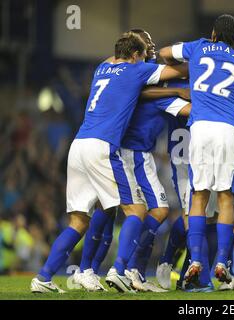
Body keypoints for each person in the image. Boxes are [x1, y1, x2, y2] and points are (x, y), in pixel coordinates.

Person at [30, 32, 187, 293]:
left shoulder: (102, 67)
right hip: (103, 147)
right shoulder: (136, 71)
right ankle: (121, 270)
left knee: (79, 221)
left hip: (78, 145)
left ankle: (44, 277)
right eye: (142, 52)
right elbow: (179, 70)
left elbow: (118, 57)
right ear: (136, 56)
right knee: (136, 210)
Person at [159, 14, 234, 288]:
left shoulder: (199, 47)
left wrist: (184, 69)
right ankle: (222, 262)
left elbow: (165, 53)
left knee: (198, 198)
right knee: (226, 200)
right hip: (229, 130)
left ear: (213, 34)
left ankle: (195, 261)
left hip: (200, 129)